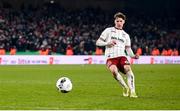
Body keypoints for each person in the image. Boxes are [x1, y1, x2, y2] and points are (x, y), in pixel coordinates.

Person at [96, 12, 139, 98]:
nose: (119, 23)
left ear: (124, 22)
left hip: (122, 56)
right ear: (115, 21)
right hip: (110, 57)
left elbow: (128, 49)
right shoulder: (108, 30)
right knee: (114, 71)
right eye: (117, 21)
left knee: (128, 69)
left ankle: (133, 91)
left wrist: (133, 56)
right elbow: (98, 42)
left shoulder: (126, 35)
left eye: (121, 21)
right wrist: (107, 43)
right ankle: (125, 87)